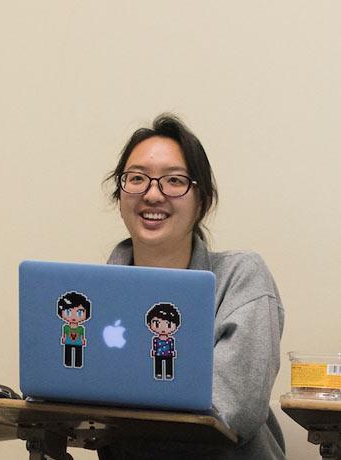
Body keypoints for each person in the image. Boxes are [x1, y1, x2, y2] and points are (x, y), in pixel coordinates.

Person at [96, 114, 287, 459]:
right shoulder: (96, 294)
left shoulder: (241, 276)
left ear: (203, 200)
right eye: (136, 179)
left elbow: (232, 406)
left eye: (174, 181)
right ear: (119, 194)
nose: (153, 195)